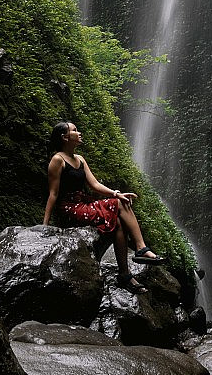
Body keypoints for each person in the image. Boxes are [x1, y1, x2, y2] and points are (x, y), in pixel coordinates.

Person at [43, 120, 166, 294]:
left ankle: (125, 275)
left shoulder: (80, 159)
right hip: (69, 209)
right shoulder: (57, 160)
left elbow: (94, 184)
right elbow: (53, 194)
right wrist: (45, 226)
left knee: (117, 221)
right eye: (75, 130)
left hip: (83, 203)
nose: (79, 133)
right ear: (64, 137)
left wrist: (116, 193)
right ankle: (140, 249)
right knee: (117, 205)